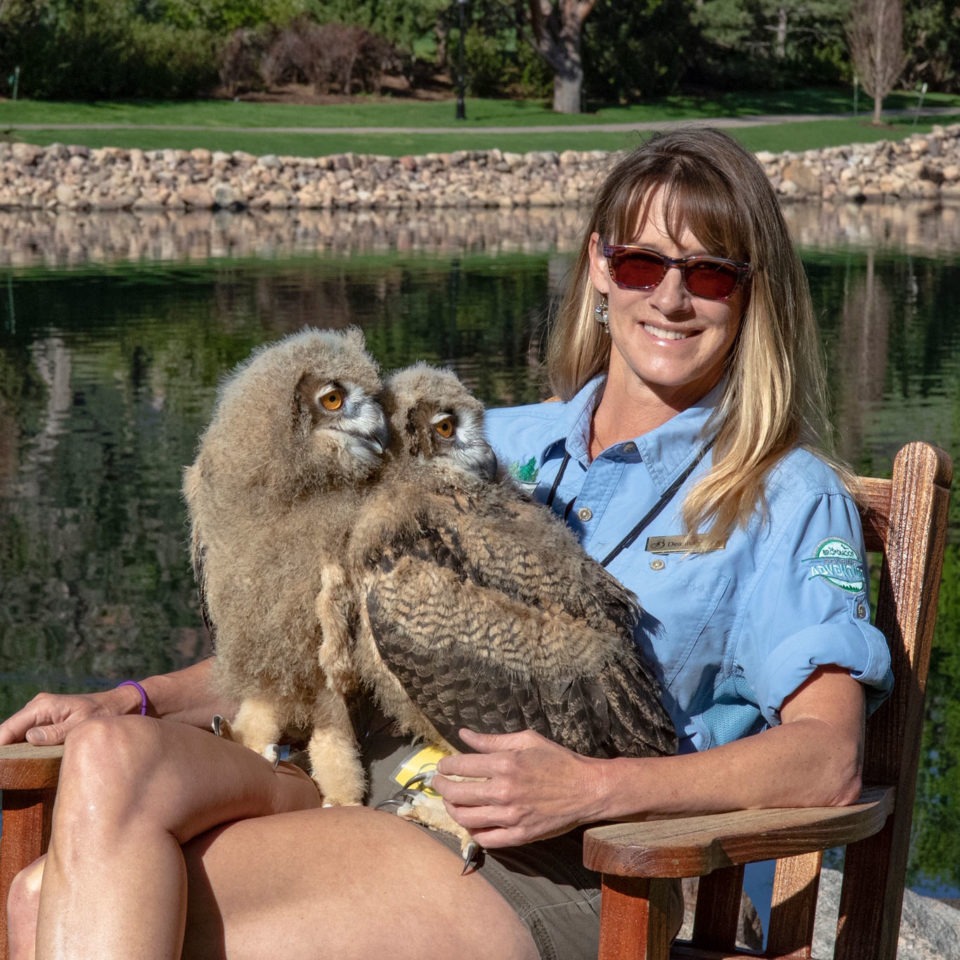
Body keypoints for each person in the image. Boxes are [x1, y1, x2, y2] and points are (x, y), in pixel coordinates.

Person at [0, 128, 892, 960]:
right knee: (108, 760)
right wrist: (132, 699)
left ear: (752, 293)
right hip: (373, 792)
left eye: (709, 274)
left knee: (49, 901)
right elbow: (333, 634)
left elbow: (827, 760)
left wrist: (596, 789)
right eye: (642, 259)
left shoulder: (783, 495)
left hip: (572, 866)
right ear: (598, 269)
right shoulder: (479, 437)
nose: (668, 295)